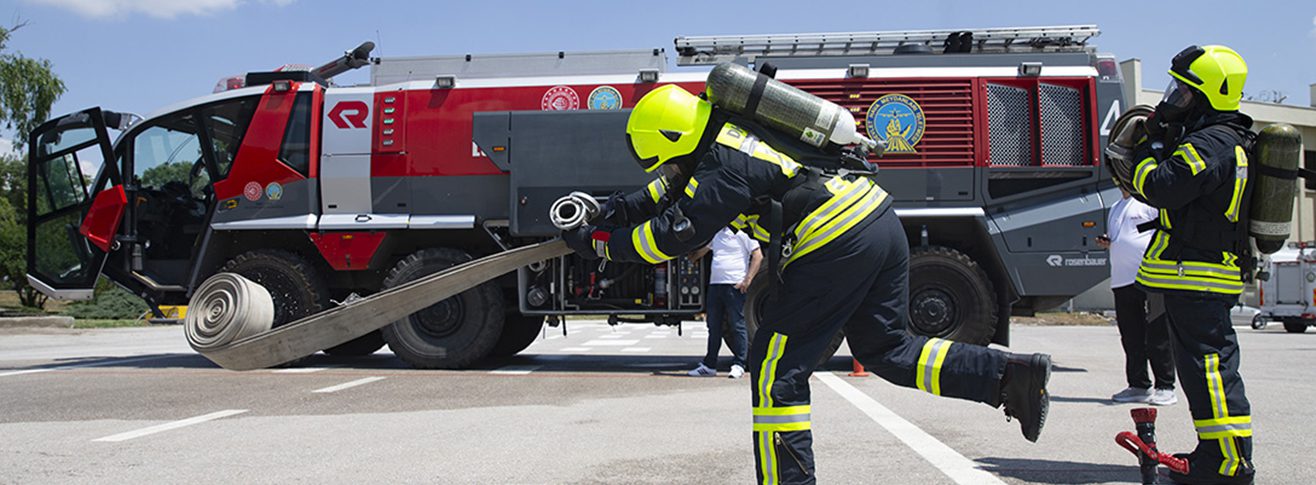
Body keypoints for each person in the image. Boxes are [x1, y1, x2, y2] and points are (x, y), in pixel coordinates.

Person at [562, 84, 1052, 484]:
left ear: (671, 140)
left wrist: (601, 245)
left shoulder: (722, 165)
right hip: (878, 222)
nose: (666, 171)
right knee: (888, 349)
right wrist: (603, 212)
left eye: (664, 159)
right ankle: (1008, 377)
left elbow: (672, 235)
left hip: (834, 241)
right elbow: (660, 194)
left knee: (775, 368)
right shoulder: (729, 140)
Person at [1125, 45, 1256, 484]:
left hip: (1199, 273)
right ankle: (1214, 456)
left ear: (1207, 97)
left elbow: (1162, 187)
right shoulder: (1217, 139)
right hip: (1195, 272)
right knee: (1202, 374)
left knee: (1211, 371)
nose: (1172, 100)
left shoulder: (1212, 144)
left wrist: (1143, 152)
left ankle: (1229, 465)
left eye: (1183, 92)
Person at [1098, 188, 1177, 406]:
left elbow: (1165, 230)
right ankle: (1138, 385)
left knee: (1157, 332)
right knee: (1130, 335)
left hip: (1149, 277)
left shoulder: (1148, 202)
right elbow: (1121, 238)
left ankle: (1166, 385)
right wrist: (1108, 242)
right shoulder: (1115, 208)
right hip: (1121, 279)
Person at [687, 227, 762, 378]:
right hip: (716, 286)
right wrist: (692, 256)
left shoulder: (744, 233)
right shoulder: (716, 233)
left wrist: (748, 280)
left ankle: (739, 364)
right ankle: (709, 365)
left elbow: (758, 256)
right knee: (713, 326)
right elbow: (703, 250)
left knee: (737, 325)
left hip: (734, 285)